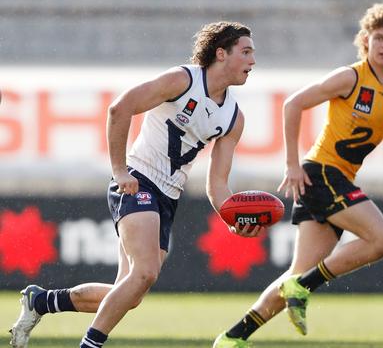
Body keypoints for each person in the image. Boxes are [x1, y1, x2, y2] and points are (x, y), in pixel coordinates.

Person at [9, 21, 260, 348]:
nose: (253, 61)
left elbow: (218, 185)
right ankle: (90, 345)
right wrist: (119, 169)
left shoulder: (233, 119)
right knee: (145, 273)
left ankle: (42, 302)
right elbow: (120, 108)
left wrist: (234, 218)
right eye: (246, 52)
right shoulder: (182, 80)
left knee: (130, 293)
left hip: (168, 197)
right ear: (221, 53)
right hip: (137, 180)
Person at [213, 2, 383, 347]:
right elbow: (292, 104)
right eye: (379, 37)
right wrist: (292, 164)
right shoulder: (350, 77)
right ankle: (304, 287)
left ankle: (233, 337)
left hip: (340, 179)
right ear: (365, 40)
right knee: (382, 240)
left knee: (297, 272)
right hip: (320, 173)